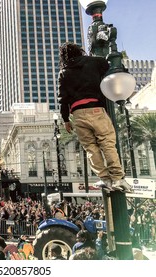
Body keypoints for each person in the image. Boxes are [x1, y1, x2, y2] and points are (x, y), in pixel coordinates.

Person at [58, 42, 132, 193]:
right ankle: (118, 178)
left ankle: (105, 179)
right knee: (107, 143)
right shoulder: (95, 62)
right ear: (80, 51)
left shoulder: (64, 72)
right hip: (96, 109)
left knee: (90, 148)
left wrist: (65, 120)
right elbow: (111, 69)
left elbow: (63, 99)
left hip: (78, 114)